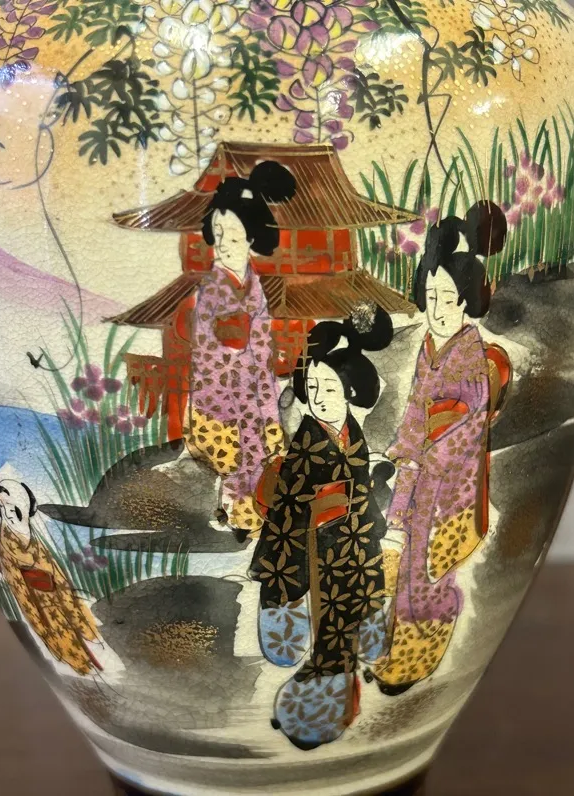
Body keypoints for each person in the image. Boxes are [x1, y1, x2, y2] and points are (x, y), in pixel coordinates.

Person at [372, 201, 511, 696]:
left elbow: (462, 432)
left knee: (429, 576)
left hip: (448, 491)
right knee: (407, 568)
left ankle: (417, 658)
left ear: (467, 302)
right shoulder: (429, 351)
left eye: (449, 299)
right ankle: (397, 648)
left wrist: (422, 462)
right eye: (430, 297)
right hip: (420, 479)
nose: (437, 309)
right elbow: (416, 413)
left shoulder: (469, 359)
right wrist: (404, 456)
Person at [250, 307, 393, 750]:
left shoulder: (353, 435)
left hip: (353, 541)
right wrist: (289, 569)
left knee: (357, 603)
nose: (320, 398)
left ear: (351, 391)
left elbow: (361, 488)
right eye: (312, 389)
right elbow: (288, 505)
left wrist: (370, 519)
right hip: (314, 545)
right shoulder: (308, 441)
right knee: (330, 618)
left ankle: (336, 690)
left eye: (330, 388)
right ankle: (320, 701)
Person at [185, 161, 296, 536]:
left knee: (268, 435)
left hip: (252, 385)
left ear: (251, 239)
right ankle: (239, 514)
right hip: (219, 395)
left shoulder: (254, 286)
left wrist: (264, 389)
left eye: (233, 237)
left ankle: (256, 512)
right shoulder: (214, 287)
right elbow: (210, 350)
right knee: (245, 444)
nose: (223, 245)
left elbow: (261, 347)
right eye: (218, 234)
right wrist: (247, 382)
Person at [0, 479, 104, 676]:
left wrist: (64, 591)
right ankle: (80, 665)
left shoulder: (30, 532)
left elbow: (53, 567)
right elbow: (17, 583)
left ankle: (92, 657)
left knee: (77, 624)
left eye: (11, 506)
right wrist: (34, 609)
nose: (8, 513)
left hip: (56, 591)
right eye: (2, 507)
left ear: (24, 503)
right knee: (58, 632)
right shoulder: (8, 541)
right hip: (37, 599)